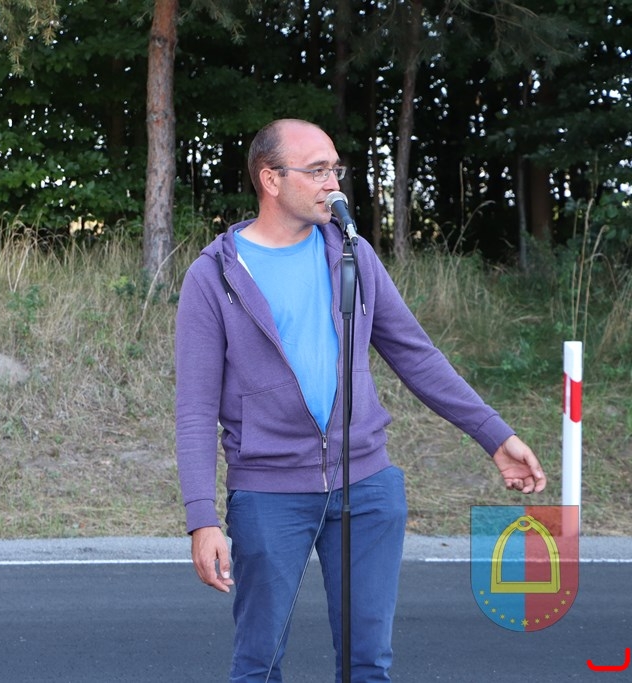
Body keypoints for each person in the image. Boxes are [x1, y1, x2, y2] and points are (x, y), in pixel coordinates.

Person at [174, 118, 547, 682]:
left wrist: (494, 435)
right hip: (269, 493)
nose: (334, 184)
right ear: (271, 179)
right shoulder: (215, 276)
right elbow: (196, 409)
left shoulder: (352, 256)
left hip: (368, 488)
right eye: (317, 171)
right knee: (258, 665)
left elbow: (417, 357)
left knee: (368, 665)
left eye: (335, 169)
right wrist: (202, 519)